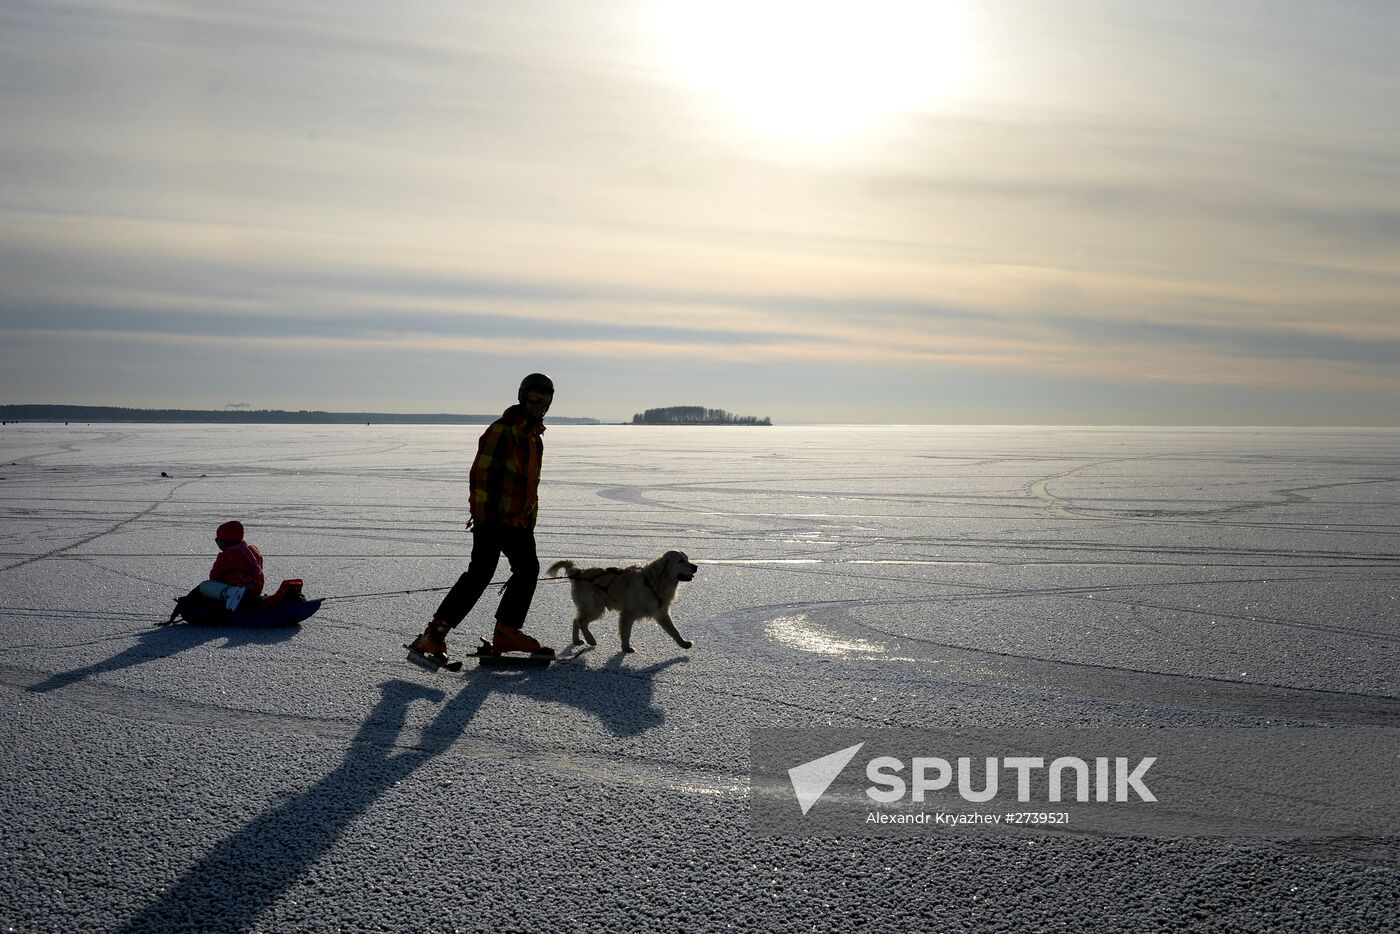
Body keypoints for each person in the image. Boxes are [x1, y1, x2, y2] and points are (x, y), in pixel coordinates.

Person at [409, 373, 556, 659]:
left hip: (519, 521)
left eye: (545, 401)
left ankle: (506, 633)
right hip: (493, 518)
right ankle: (434, 635)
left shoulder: (534, 438)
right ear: (522, 398)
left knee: (527, 569)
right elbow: (480, 476)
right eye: (534, 400)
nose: (540, 405)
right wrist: (484, 516)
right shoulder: (502, 430)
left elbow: (528, 486)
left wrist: (528, 518)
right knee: (480, 574)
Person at [200, 520, 264, 611]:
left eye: (218, 540)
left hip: (237, 586)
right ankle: (241, 594)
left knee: (205, 586)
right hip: (255, 588)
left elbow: (214, 576)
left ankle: (231, 593)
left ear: (224, 542)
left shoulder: (228, 556)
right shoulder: (252, 551)